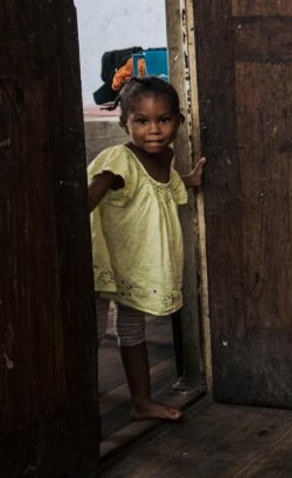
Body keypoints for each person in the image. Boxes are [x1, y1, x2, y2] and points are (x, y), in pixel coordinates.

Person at [88, 76, 206, 422]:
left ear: (178, 121)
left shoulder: (164, 157)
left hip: (132, 265)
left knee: (131, 330)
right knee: (91, 334)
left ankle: (141, 403)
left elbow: (157, 187)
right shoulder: (118, 159)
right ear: (124, 123)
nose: (153, 130)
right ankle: (74, 411)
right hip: (102, 262)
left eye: (163, 119)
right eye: (141, 121)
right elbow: (86, 200)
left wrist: (189, 180)